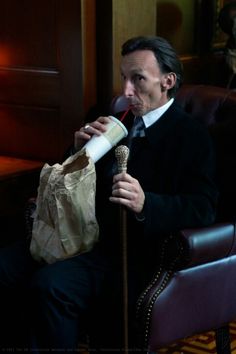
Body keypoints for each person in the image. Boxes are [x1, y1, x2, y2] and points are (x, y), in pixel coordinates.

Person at [0, 36, 218, 353]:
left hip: (131, 253)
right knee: (5, 267)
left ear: (168, 80)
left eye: (138, 79)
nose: (126, 91)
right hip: (79, 236)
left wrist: (147, 203)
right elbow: (69, 183)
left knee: (52, 285)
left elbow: (204, 208)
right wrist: (76, 151)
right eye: (124, 78)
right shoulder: (119, 119)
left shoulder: (192, 136)